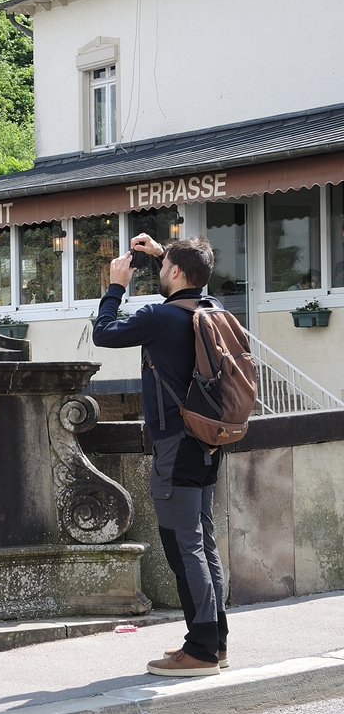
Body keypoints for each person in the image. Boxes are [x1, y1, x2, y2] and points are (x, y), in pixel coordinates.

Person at [92, 232, 228, 677]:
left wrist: (115, 286)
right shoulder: (212, 310)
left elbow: (104, 333)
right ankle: (213, 641)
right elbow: (183, 287)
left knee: (182, 544)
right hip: (209, 440)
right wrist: (161, 257)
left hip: (175, 444)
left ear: (175, 272)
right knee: (202, 541)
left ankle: (202, 650)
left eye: (166, 264)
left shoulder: (159, 317)